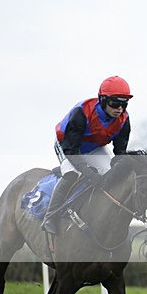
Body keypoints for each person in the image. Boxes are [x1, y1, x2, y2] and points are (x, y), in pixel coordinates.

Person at [42, 75, 133, 234]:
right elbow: (71, 150)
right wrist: (89, 173)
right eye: (115, 103)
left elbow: (120, 153)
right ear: (103, 100)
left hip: (94, 148)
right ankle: (50, 216)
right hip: (67, 146)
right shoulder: (82, 112)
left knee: (109, 175)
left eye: (124, 104)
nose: (119, 109)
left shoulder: (124, 120)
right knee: (72, 174)